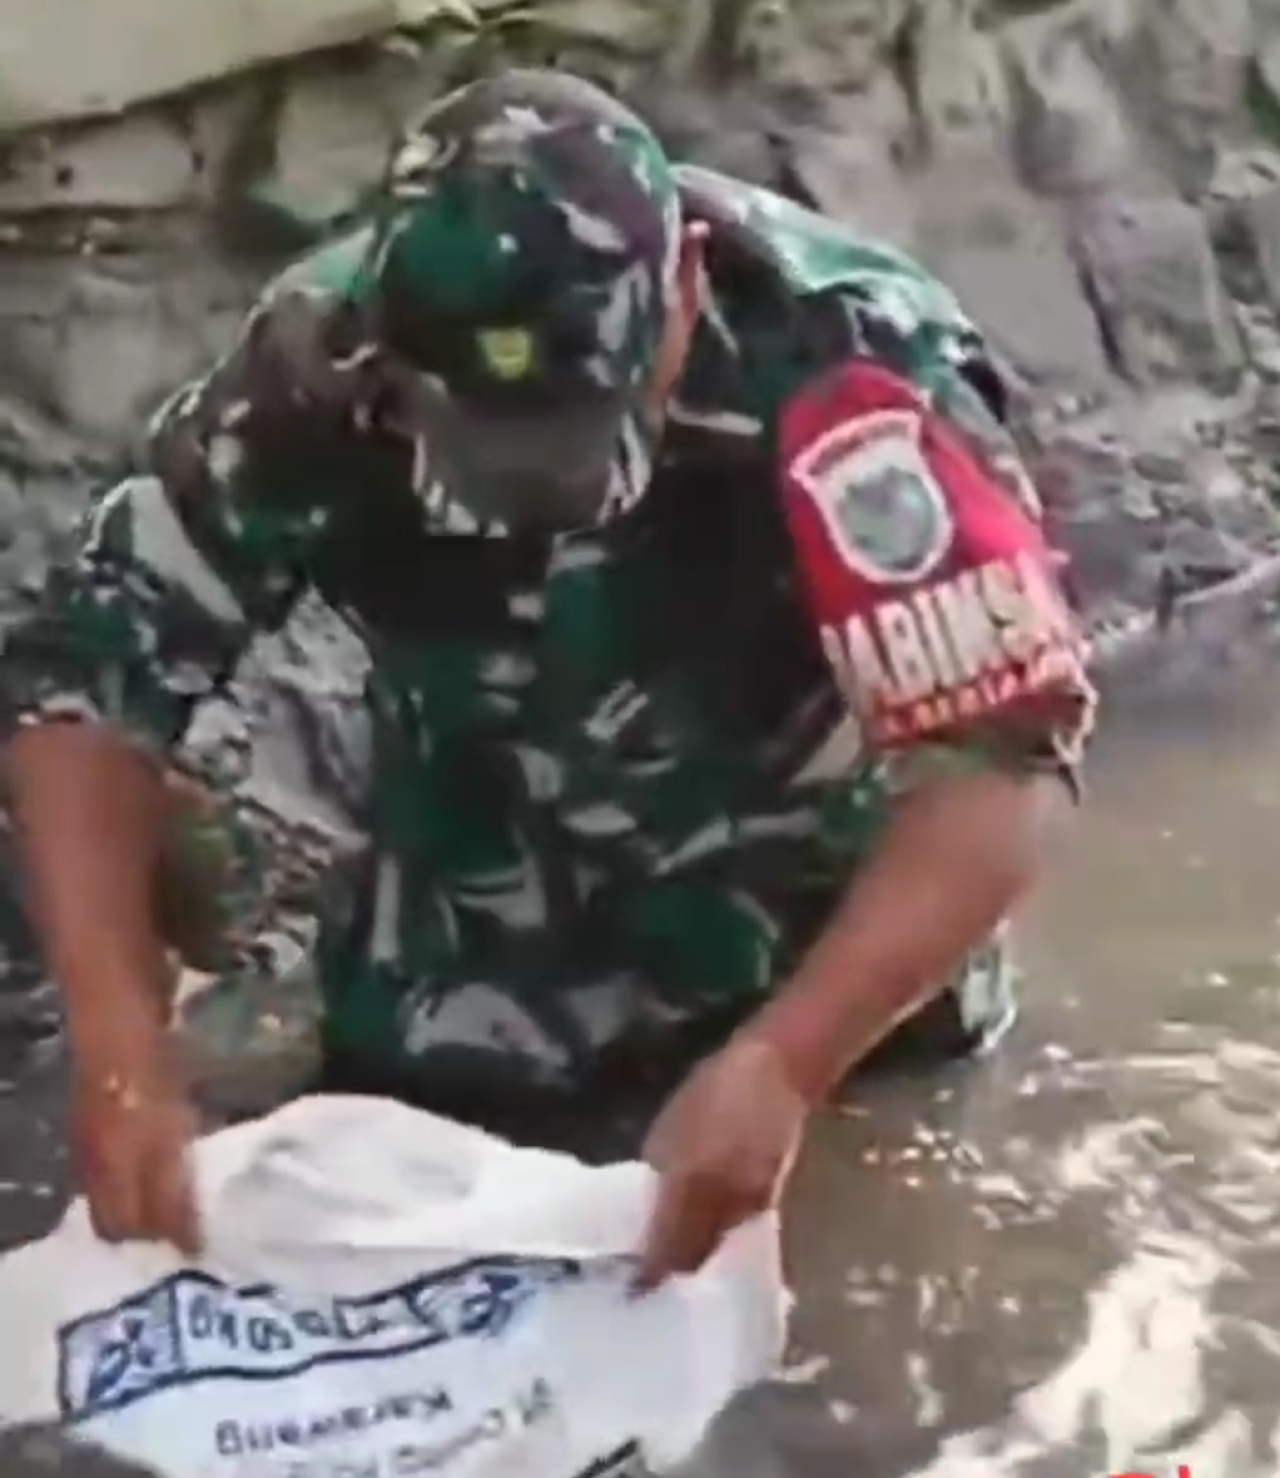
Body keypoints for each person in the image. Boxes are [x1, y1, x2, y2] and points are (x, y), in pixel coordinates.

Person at [0, 69, 1094, 1290]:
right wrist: (120, 1048)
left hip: (815, 942)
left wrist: (788, 1061)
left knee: (856, 1297)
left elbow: (999, 761)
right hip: (480, 945)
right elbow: (88, 675)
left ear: (685, 285)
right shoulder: (320, 359)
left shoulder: (846, 365)